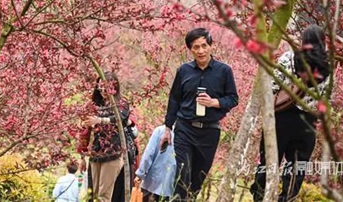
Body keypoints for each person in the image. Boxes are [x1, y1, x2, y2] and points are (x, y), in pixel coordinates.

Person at [250, 24, 330, 202]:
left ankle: (260, 195)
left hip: (281, 118)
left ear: (304, 41)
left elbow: (272, 87)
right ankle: (287, 197)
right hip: (307, 122)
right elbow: (326, 100)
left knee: (269, 162)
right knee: (297, 166)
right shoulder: (328, 67)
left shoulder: (289, 58)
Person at [162, 28, 239, 201]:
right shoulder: (184, 71)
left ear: (211, 46)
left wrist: (214, 102)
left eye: (204, 45)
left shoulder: (224, 71)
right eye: (196, 47)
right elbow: (174, 99)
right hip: (184, 128)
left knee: (197, 179)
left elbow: (233, 99)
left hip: (210, 131)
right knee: (183, 173)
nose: (201, 51)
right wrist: (167, 128)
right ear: (190, 49)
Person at [79, 72, 130, 202]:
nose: (103, 90)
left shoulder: (121, 103)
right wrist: (82, 157)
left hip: (113, 153)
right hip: (96, 153)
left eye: (106, 87)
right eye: (100, 87)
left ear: (115, 87)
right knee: (93, 194)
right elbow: (85, 132)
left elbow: (120, 118)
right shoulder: (94, 105)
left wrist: (100, 120)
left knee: (103, 195)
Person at [135, 125, 176, 202]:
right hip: (170, 187)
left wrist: (140, 173)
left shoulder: (160, 130)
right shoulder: (185, 136)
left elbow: (149, 154)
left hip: (152, 183)